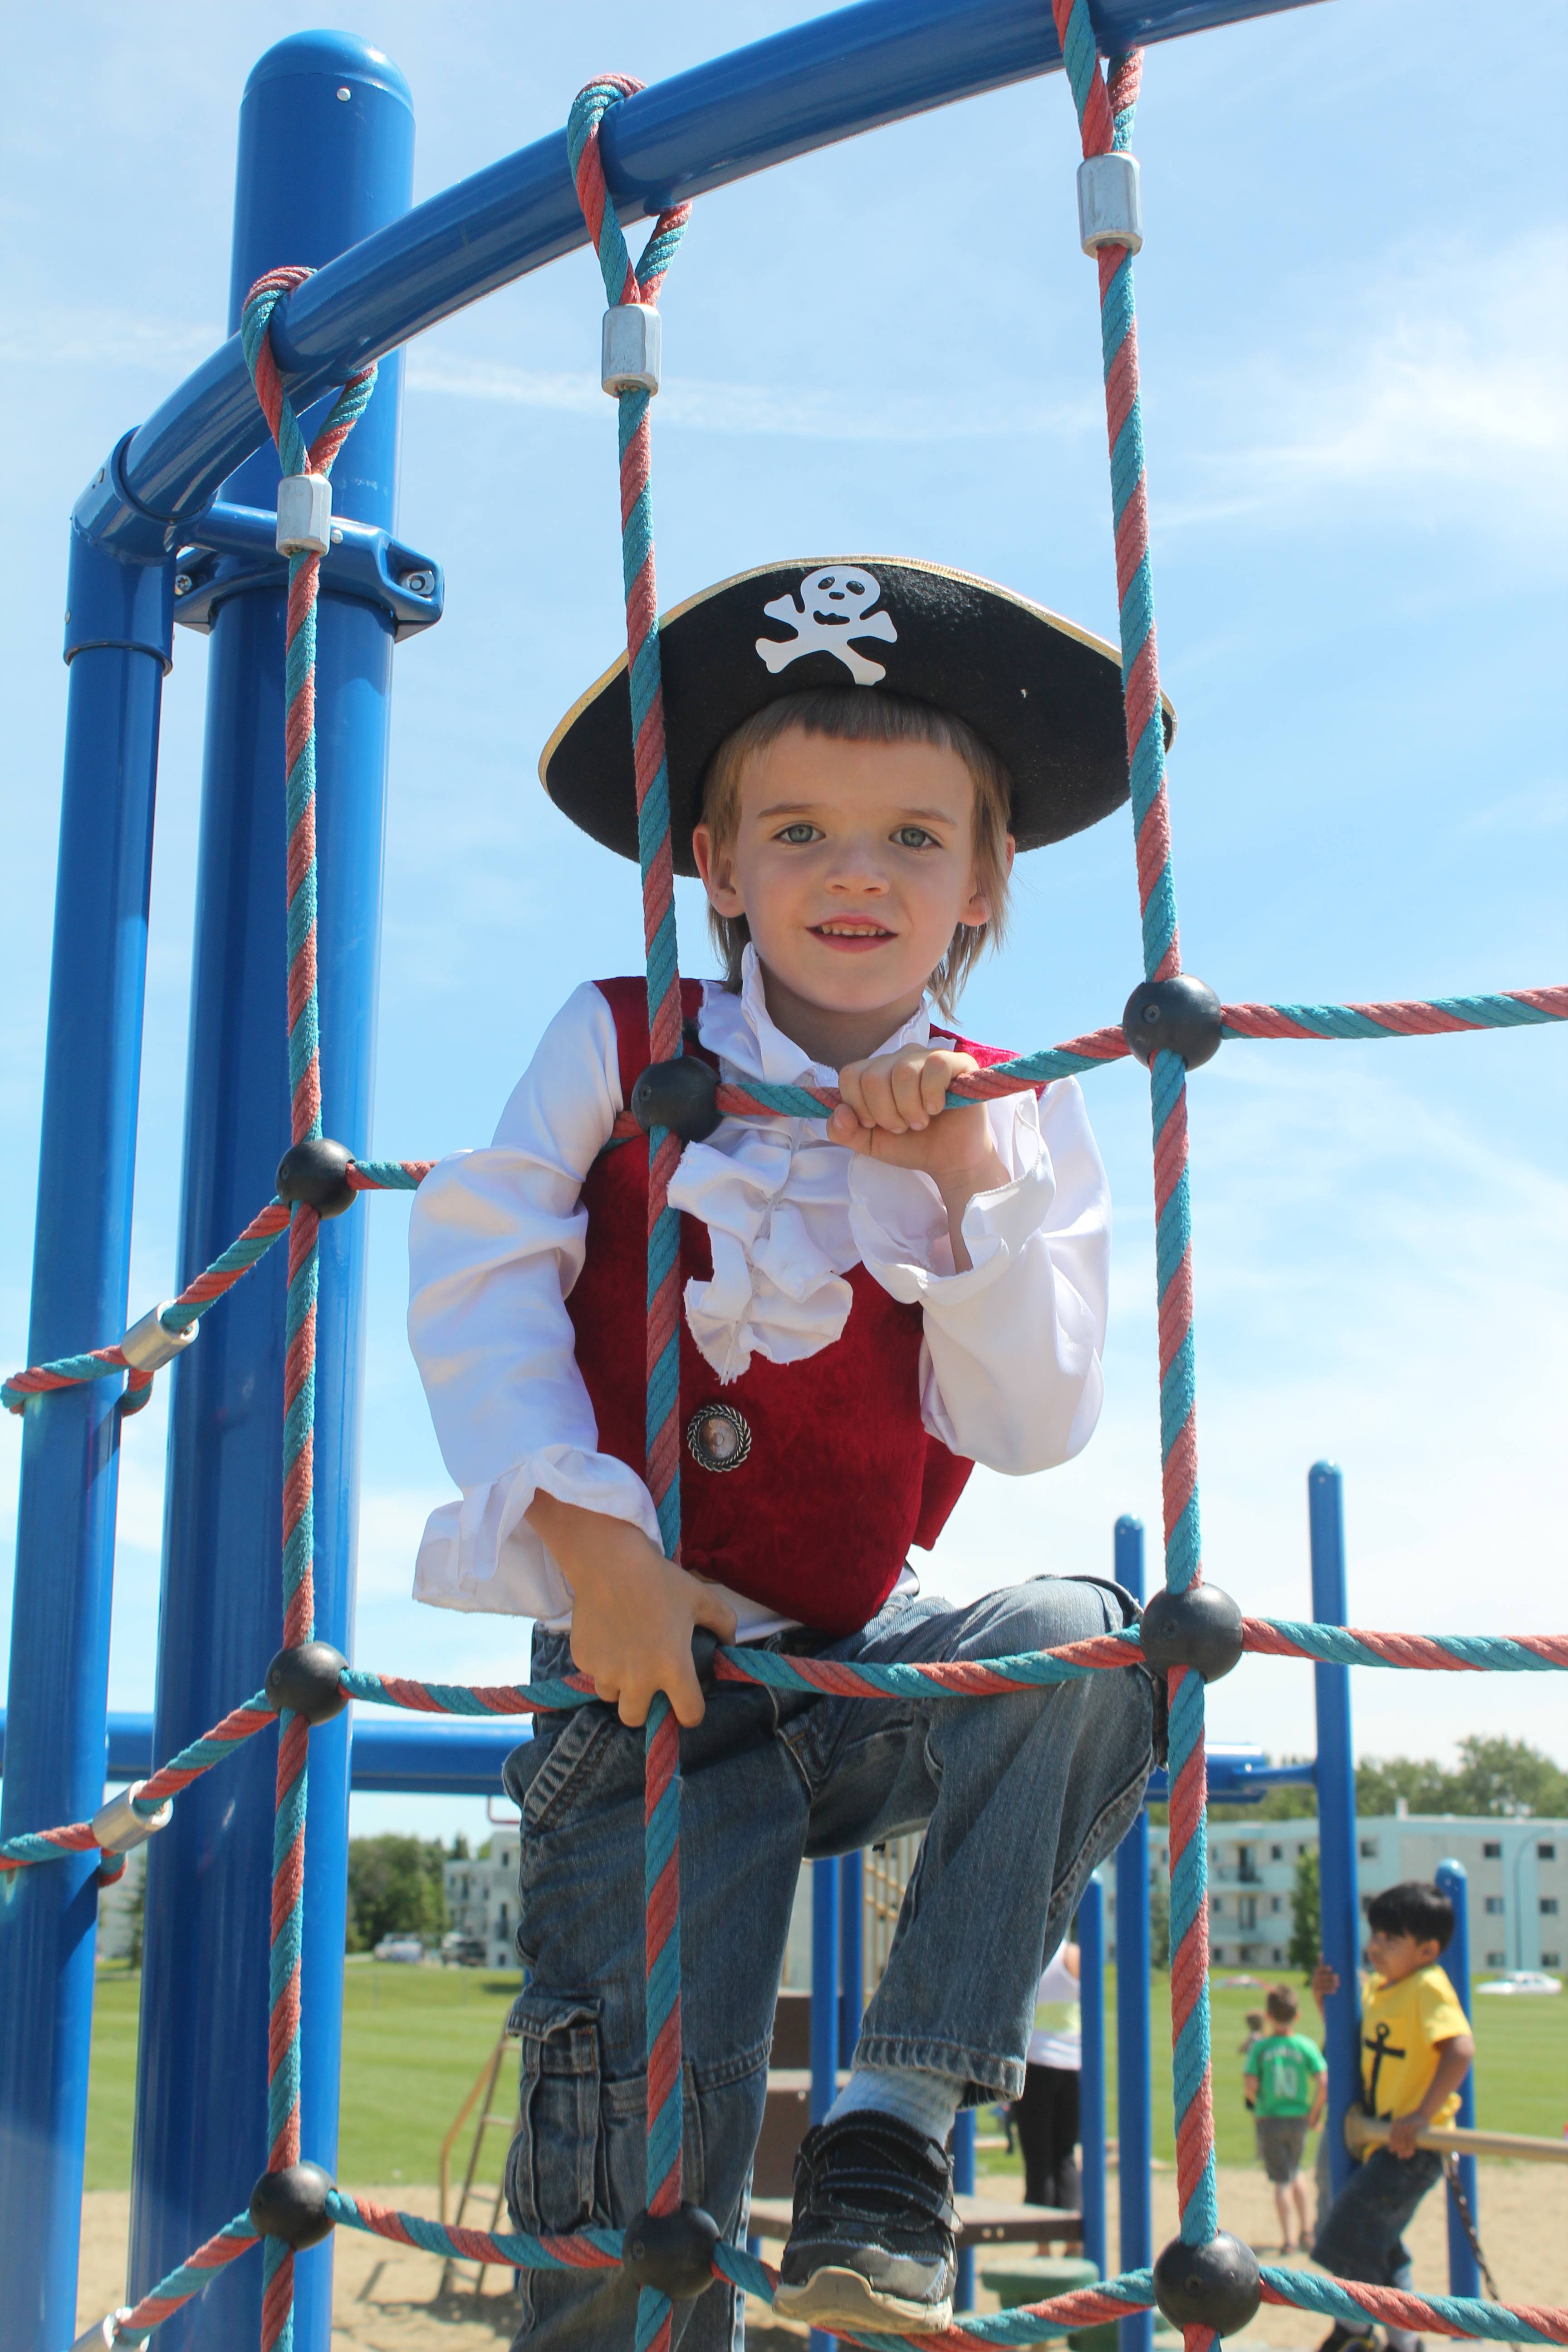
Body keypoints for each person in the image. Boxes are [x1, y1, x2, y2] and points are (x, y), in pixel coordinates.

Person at [408, 559, 1166, 2344]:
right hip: (645, 1674)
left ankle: (890, 2141)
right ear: (716, 862)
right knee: (629, 2208)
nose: (856, 872)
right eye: (802, 828)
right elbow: (482, 1269)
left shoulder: (1019, 1105)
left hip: (860, 1656)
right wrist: (588, 1541)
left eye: (915, 838)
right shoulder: (619, 1041)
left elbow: (1034, 1421)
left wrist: (963, 1191)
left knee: (1092, 1640)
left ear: (984, 878)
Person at [1310, 1882, 1475, 2352]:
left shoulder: (1428, 1987)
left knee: (1345, 2235)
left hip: (1413, 2146)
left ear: (1427, 1950)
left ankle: (1357, 2329)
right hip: (1381, 2138)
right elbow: (1357, 2040)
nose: (1375, 1946)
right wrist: (1330, 2002)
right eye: (1376, 1935)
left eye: (1390, 1939)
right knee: (1379, 2242)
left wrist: (1422, 2116)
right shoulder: (1384, 1988)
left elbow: (1460, 2050)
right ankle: (1404, 2342)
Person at [1243, 1983, 1325, 2254]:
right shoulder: (1305, 2046)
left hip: (1271, 2119)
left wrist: (1258, 2104)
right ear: (1297, 2015)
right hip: (1299, 2117)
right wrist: (1314, 2114)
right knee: (1296, 2172)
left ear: (1268, 2016)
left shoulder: (1262, 2048)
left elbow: (1251, 2084)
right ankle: (1307, 2231)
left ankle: (1288, 2239)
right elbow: (1323, 2081)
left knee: (1281, 2181)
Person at [1014, 1938, 1082, 2212]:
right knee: (1065, 2154)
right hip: (1072, 2063)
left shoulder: (1028, 1954)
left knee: (1037, 2156)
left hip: (1036, 2062)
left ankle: (1042, 2239)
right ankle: (1070, 2236)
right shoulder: (1073, 1955)